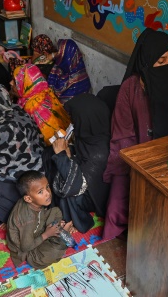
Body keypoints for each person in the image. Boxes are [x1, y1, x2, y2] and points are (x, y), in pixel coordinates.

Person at [102, 28, 168, 239]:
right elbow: (123, 132)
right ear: (147, 61)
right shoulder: (132, 87)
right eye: (160, 61)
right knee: (119, 204)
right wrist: (138, 163)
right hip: (136, 156)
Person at [42, 93, 111, 233]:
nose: (72, 123)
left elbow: (74, 187)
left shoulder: (99, 152)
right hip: (81, 179)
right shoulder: (90, 134)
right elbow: (79, 157)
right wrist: (66, 152)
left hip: (89, 195)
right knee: (49, 153)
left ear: (84, 119)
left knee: (65, 194)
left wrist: (63, 156)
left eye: (74, 118)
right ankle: (48, 201)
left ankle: (74, 220)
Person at [6, 170, 72, 269]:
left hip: (37, 227)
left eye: (47, 187)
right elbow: (25, 247)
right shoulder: (27, 218)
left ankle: (55, 231)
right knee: (58, 248)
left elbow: (41, 214)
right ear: (28, 199)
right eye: (40, 192)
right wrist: (46, 234)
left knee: (56, 211)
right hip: (29, 250)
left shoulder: (31, 203)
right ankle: (55, 234)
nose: (48, 193)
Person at [11, 64, 71, 145]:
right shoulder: (43, 92)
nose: (10, 83)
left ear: (26, 85)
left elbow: (48, 142)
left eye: (15, 82)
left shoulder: (33, 107)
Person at [47, 39, 91, 103]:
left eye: (60, 52)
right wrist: (53, 55)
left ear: (65, 55)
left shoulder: (78, 81)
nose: (58, 54)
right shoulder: (59, 67)